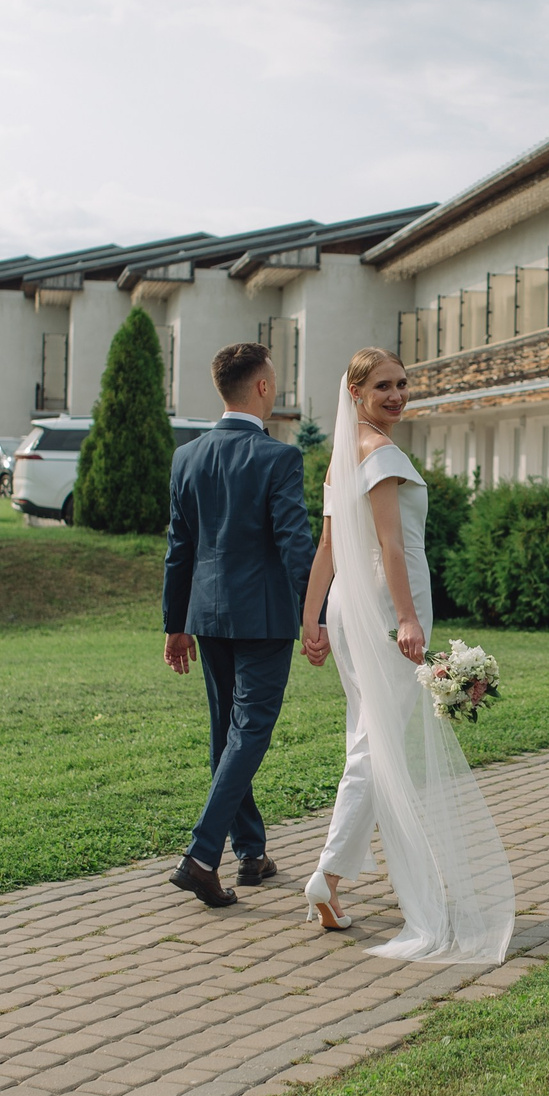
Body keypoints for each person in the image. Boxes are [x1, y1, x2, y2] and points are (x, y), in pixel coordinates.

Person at [297, 348, 514, 964]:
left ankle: (331, 882)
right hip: (385, 613)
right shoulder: (382, 455)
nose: (397, 395)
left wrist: (311, 617)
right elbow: (392, 546)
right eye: (384, 387)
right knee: (376, 745)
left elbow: (328, 550)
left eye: (403, 384)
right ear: (357, 392)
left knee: (365, 739)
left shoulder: (345, 457)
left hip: (349, 608)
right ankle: (330, 875)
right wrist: (410, 618)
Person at [160, 342, 314, 908]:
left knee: (227, 732)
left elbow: (179, 549)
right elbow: (295, 543)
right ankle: (203, 856)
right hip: (265, 617)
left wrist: (175, 624)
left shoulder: (187, 457)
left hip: (206, 614)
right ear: (263, 388)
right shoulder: (279, 458)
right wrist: (316, 612)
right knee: (248, 731)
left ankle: (250, 852)